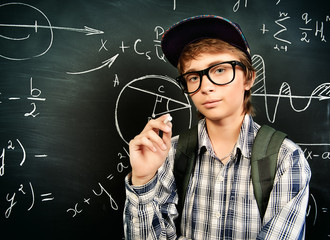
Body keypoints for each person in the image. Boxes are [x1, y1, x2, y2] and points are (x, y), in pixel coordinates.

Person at [123, 15, 311, 239]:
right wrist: (143, 179)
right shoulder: (168, 153)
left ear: (249, 78)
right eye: (193, 77)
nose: (206, 87)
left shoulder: (286, 158)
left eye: (220, 70)